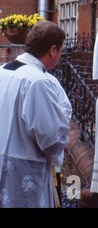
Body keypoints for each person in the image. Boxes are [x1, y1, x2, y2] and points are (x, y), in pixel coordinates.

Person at [0, 21, 72, 208]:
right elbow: (50, 137)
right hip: (24, 170)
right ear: (53, 50)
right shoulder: (38, 81)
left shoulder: (2, 71)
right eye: (61, 51)